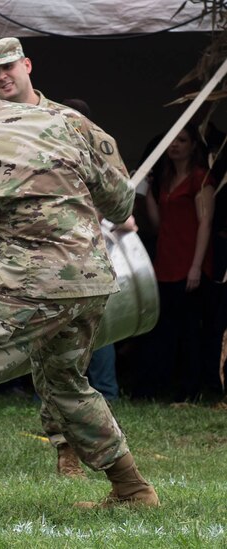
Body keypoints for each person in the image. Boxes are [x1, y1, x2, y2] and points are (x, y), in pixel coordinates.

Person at [0, 40, 158, 521]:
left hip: (33, 282)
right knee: (63, 381)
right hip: (93, 280)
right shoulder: (59, 121)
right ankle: (132, 488)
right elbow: (121, 203)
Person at [0, 37, 133, 476]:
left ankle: (77, 452)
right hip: (16, 267)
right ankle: (73, 452)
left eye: (9, 67)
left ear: (27, 65)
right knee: (49, 364)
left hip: (72, 264)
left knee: (66, 367)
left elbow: (118, 193)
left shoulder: (70, 123)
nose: (3, 77)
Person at [139, 124, 215, 402]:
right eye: (172, 140)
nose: (175, 146)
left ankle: (190, 390)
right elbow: (159, 224)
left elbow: (205, 223)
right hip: (166, 260)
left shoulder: (200, 178)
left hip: (189, 262)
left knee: (189, 329)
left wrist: (197, 265)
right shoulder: (166, 178)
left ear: (194, 145)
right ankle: (159, 387)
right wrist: (148, 192)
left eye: (182, 141)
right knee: (163, 328)